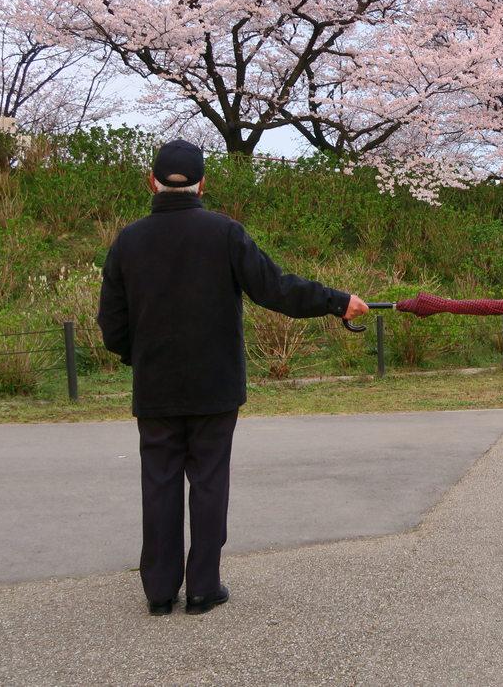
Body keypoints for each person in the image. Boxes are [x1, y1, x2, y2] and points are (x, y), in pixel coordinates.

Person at [97, 139, 369, 616]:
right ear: (203, 183)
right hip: (215, 384)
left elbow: (112, 326)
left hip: (156, 384)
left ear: (152, 182)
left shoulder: (127, 241)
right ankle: (203, 587)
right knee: (208, 480)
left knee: (158, 482)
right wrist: (335, 300)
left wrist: (139, 357)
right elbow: (275, 288)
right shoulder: (224, 232)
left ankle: (160, 592)